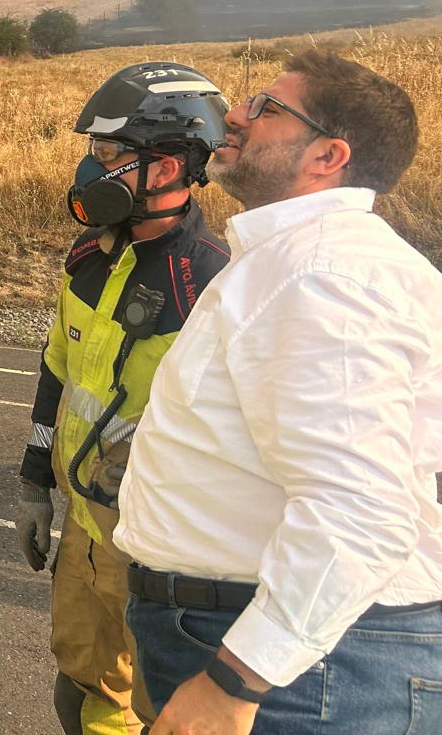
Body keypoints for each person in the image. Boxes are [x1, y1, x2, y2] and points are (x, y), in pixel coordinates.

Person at [116, 50, 442, 735]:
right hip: (298, 654)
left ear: (327, 155)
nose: (232, 113)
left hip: (303, 675)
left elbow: (360, 511)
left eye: (264, 107)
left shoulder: (321, 274)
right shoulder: (299, 262)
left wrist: (237, 681)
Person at [17, 63, 231, 735]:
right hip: (84, 528)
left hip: (156, 555)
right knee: (80, 694)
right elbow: (59, 368)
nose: (90, 172)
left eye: (108, 156)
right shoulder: (92, 253)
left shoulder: (212, 286)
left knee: (163, 712)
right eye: (91, 154)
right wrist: (32, 483)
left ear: (167, 168)